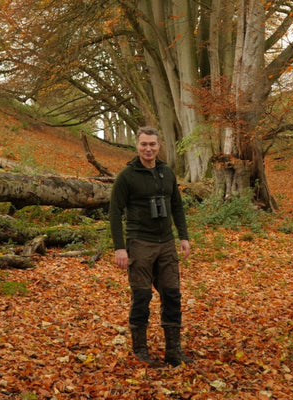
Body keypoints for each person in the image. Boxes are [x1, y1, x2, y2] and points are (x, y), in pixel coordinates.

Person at [109, 126, 193, 367]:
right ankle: (140, 351)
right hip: (140, 242)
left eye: (152, 144)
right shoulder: (127, 175)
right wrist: (119, 247)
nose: (148, 149)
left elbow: (177, 205)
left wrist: (183, 237)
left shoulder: (167, 172)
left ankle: (174, 352)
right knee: (142, 296)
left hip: (166, 243)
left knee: (172, 295)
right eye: (144, 144)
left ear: (159, 146)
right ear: (137, 145)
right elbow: (115, 212)